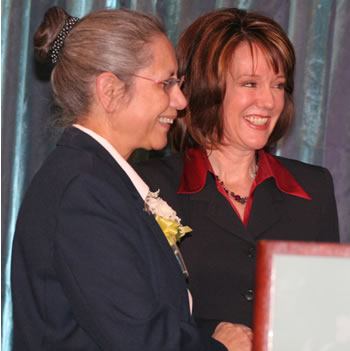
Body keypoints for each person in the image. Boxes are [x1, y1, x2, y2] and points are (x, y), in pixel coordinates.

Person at [10, 6, 253, 351]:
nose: (181, 100)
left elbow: (134, 314)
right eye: (166, 83)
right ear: (110, 90)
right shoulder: (84, 193)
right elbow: (139, 340)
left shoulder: (97, 180)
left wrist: (210, 331)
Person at [135, 7, 339, 336]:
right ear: (206, 88)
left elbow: (323, 326)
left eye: (278, 86)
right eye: (250, 83)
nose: (269, 101)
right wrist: (210, 335)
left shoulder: (313, 188)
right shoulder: (148, 186)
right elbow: (133, 318)